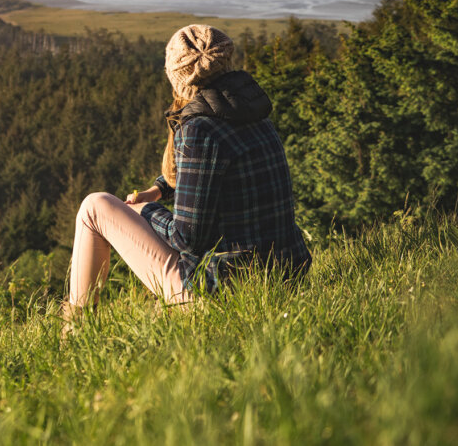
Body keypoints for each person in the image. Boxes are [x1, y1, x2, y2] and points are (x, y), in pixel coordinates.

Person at [64, 24, 312, 318]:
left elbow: (187, 239)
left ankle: (76, 327)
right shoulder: (253, 113)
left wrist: (146, 209)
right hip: (286, 278)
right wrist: (159, 189)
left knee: (95, 206)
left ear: (178, 75)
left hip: (228, 292)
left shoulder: (200, 130)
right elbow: (211, 173)